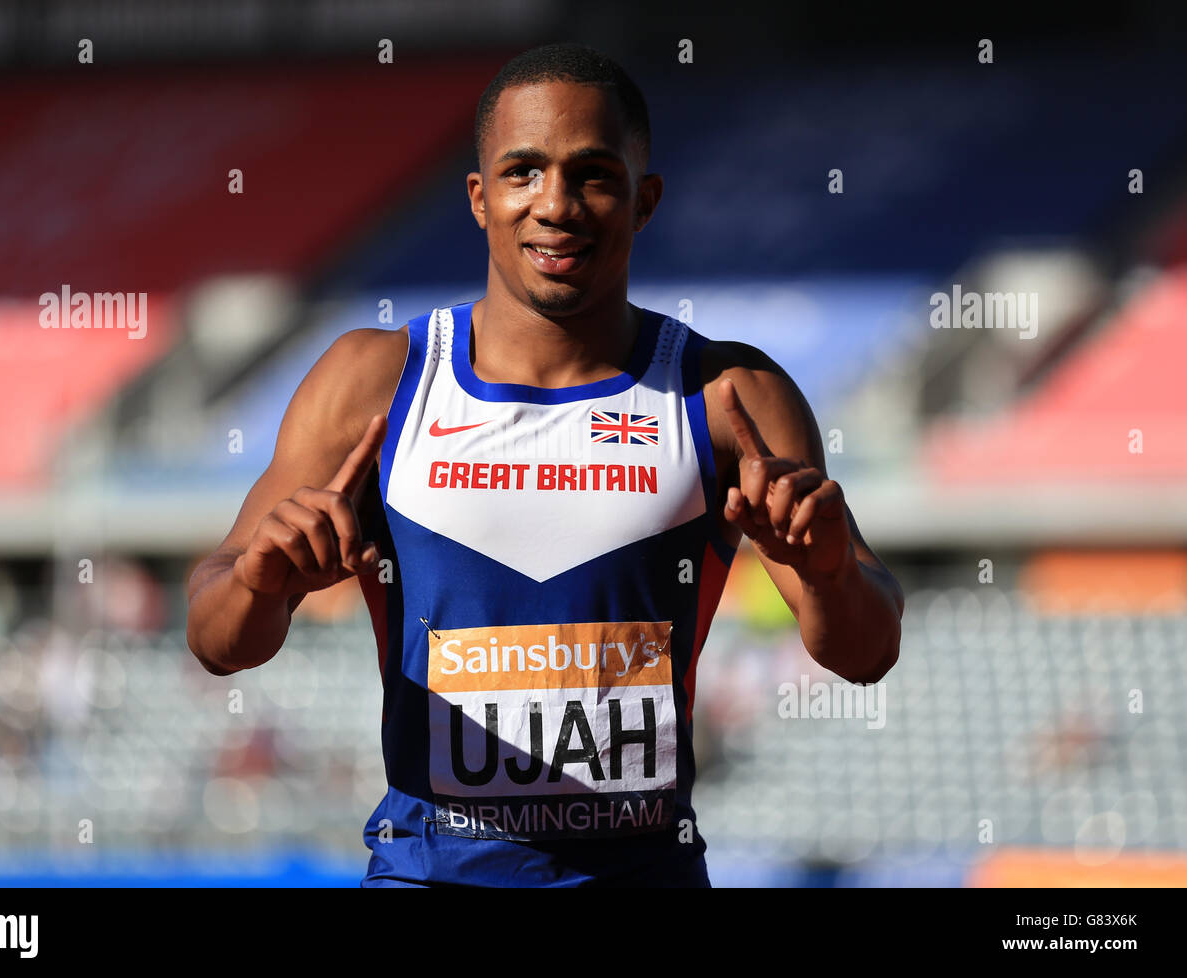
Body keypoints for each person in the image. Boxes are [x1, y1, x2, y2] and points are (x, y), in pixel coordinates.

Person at [186, 42, 903, 887]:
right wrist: (263, 585)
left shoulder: (728, 396)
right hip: (430, 874)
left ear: (646, 200)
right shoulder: (374, 381)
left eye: (593, 174)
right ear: (479, 198)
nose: (554, 205)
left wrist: (822, 576)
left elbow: (866, 651)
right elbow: (216, 637)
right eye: (523, 172)